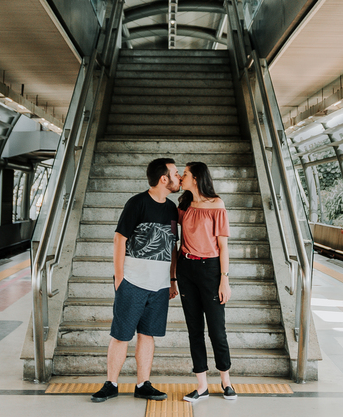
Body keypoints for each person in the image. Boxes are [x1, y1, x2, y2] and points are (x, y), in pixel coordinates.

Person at [90, 158, 181, 403]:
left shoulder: (172, 209)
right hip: (133, 282)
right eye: (175, 173)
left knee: (148, 334)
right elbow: (119, 239)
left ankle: (143, 384)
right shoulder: (137, 203)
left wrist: (172, 279)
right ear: (164, 178)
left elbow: (172, 245)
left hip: (160, 285)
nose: (179, 177)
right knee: (121, 335)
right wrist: (120, 278)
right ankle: (111, 383)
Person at [176, 161, 236, 402]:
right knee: (194, 330)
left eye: (186, 173)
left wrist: (225, 280)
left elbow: (223, 246)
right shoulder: (182, 205)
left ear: (197, 178)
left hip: (210, 269)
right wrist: (173, 276)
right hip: (186, 268)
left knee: (217, 330)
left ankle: (226, 382)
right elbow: (175, 241)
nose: (181, 176)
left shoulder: (216, 205)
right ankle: (201, 386)